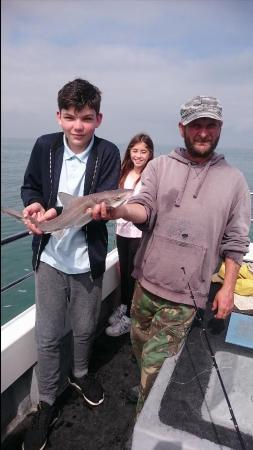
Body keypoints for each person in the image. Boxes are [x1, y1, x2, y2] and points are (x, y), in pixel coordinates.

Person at [91, 95, 251, 415]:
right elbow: (143, 208)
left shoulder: (234, 181)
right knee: (141, 352)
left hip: (185, 297)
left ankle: (145, 424)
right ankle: (148, 387)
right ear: (182, 129)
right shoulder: (160, 166)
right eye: (195, 125)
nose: (203, 132)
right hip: (145, 286)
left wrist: (228, 289)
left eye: (209, 125)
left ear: (219, 128)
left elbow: (235, 241)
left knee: (155, 367)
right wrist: (119, 209)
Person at [21, 78, 121, 450]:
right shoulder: (44, 146)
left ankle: (80, 374)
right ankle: (47, 402)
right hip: (49, 255)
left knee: (83, 327)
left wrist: (105, 212)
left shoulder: (109, 152)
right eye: (70, 117)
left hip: (87, 258)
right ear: (59, 117)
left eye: (86, 117)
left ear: (98, 118)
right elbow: (30, 187)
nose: (78, 125)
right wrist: (33, 206)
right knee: (46, 335)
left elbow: (108, 202)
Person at [106, 133, 154, 337]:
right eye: (135, 151)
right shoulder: (124, 171)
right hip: (122, 229)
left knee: (134, 275)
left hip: (139, 233)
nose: (139, 155)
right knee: (123, 271)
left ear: (150, 153)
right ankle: (124, 307)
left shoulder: (152, 175)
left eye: (143, 151)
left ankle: (131, 317)